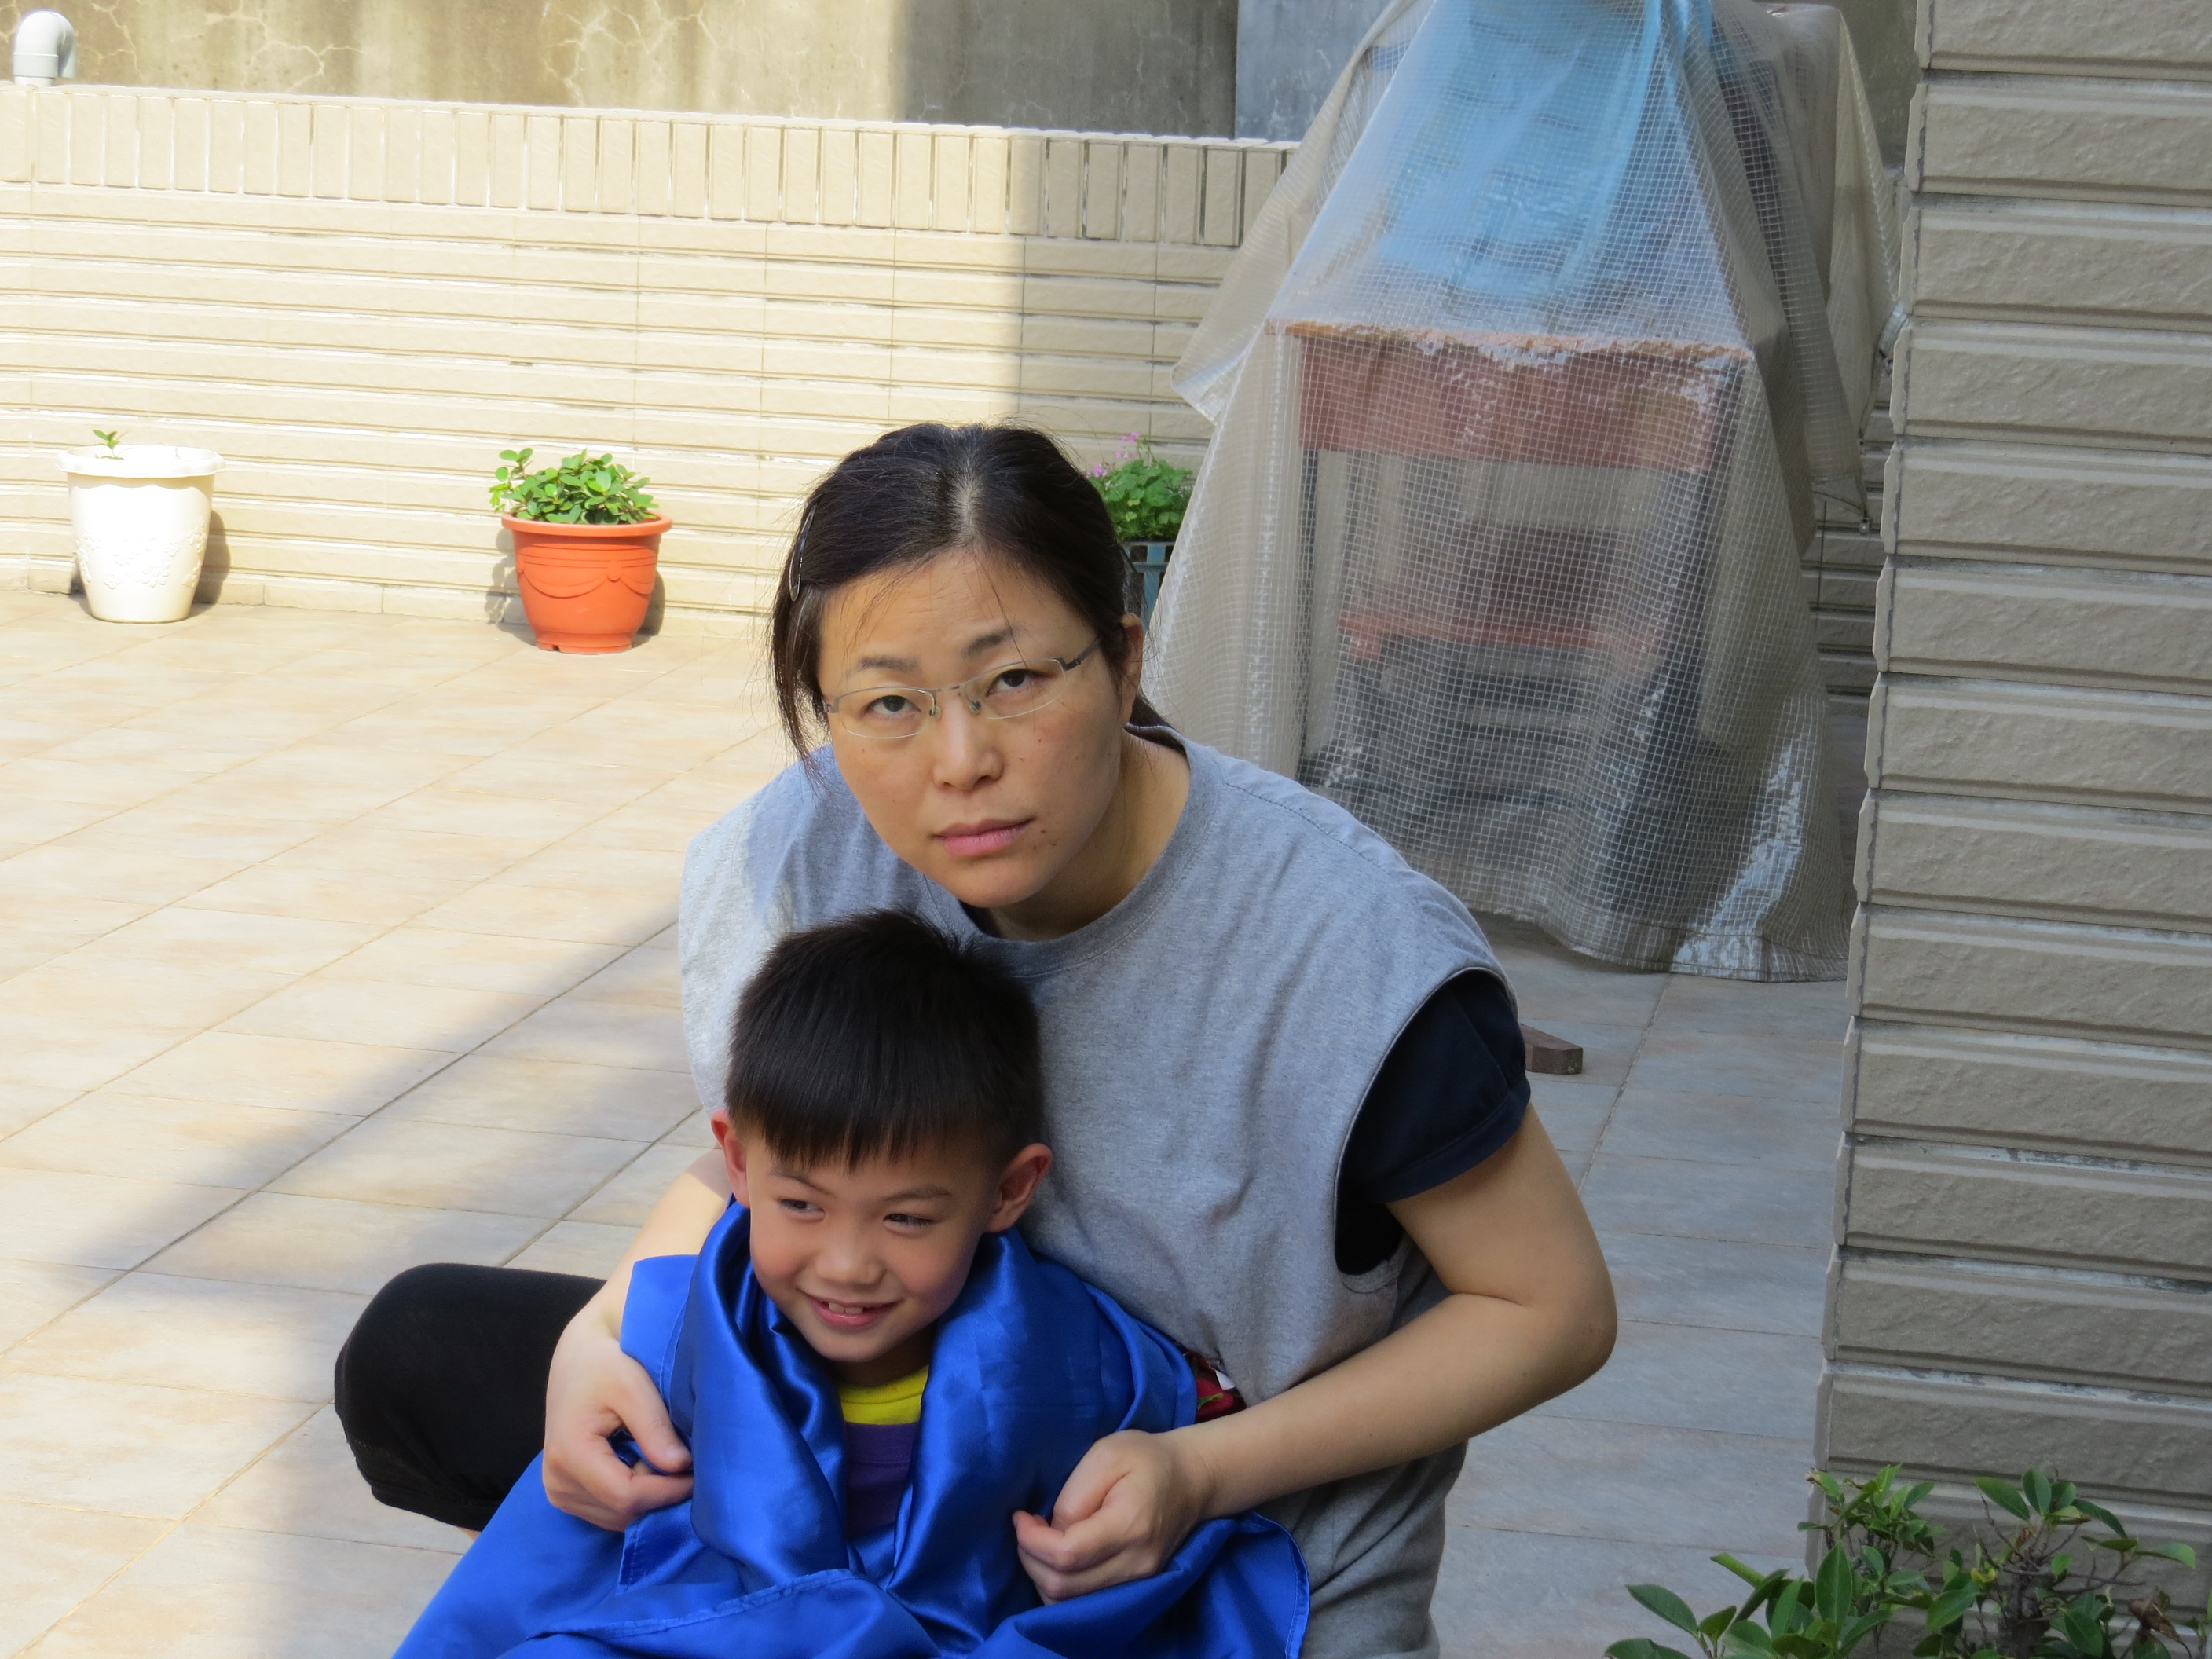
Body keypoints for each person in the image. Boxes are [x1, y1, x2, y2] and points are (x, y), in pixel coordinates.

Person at [335, 421, 1617, 1659]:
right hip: (868, 1473)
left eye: (1014, 682)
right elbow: (762, 1164)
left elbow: (1548, 1309)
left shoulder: (1344, 958)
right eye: (887, 702)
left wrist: (1200, 1470)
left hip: (1225, 1537)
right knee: (421, 1349)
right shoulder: (800, 856)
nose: (959, 762)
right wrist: (602, 1341)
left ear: (1122, 660)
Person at [393, 910, 1307, 1657]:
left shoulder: (1070, 1357)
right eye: (800, 1205)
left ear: (1008, 1190)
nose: (845, 1265)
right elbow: (550, 1566)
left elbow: (1187, 1442)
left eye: (904, 1219)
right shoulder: (687, 1331)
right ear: (736, 1165)